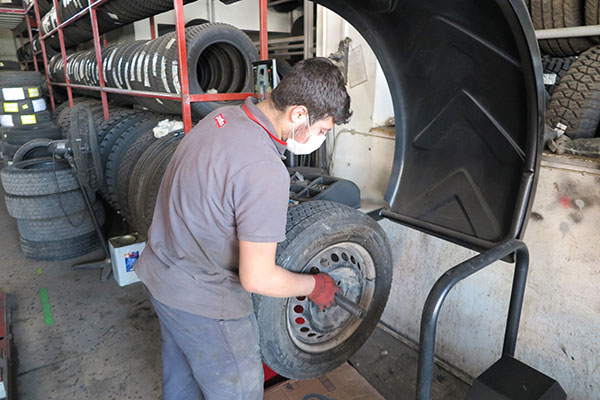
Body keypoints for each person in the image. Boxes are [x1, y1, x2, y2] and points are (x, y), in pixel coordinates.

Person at [134, 57, 352, 400]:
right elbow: (258, 278)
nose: (320, 139)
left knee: (182, 385)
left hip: (161, 278)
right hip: (207, 304)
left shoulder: (222, 119)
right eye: (322, 130)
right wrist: (314, 285)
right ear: (298, 114)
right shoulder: (264, 169)